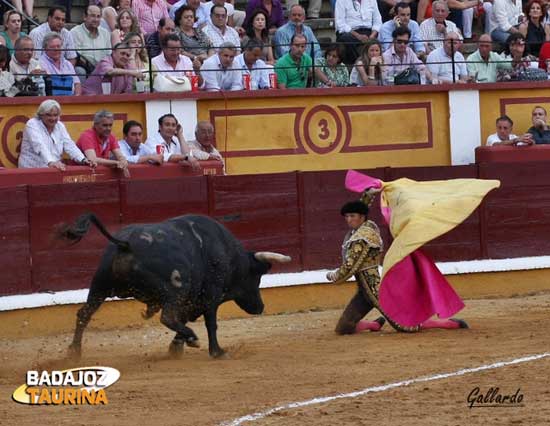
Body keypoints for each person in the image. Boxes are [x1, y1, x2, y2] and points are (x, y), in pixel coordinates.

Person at [328, 170, 500, 335]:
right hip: (363, 291)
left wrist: (334, 276)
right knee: (344, 327)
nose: (349, 220)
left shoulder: (364, 236)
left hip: (375, 290)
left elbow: (351, 266)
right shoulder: (362, 228)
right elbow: (362, 208)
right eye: (347, 216)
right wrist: (369, 194)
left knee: (407, 327)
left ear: (361, 217)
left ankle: (447, 323)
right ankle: (373, 325)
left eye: (352, 216)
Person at [18, 100, 95, 170]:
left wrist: (83, 159)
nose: (53, 118)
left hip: (54, 169)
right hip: (31, 169)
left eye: (55, 115)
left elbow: (69, 145)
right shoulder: (32, 124)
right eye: (49, 115)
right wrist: (51, 162)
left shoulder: (60, 125)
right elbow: (39, 145)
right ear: (41, 115)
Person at [77, 109, 129, 176]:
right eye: (105, 125)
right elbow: (92, 159)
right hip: (82, 175)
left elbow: (120, 155)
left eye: (110, 125)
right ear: (95, 125)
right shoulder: (86, 136)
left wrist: (123, 162)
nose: (108, 128)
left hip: (98, 174)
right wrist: (117, 163)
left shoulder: (111, 136)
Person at [335, 0, 383, 65]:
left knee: (382, 36)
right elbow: (340, 24)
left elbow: (378, 21)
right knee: (346, 38)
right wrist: (358, 36)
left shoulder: (372, 1)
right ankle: (360, 63)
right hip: (350, 32)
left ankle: (378, 65)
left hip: (369, 31)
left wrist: (372, 35)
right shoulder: (341, 1)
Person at [71, 5, 112, 78]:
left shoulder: (105, 33)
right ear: (85, 17)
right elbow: (77, 57)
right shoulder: (75, 32)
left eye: (98, 16)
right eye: (93, 16)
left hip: (102, 69)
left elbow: (108, 55)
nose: (96, 19)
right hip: (85, 68)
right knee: (79, 71)